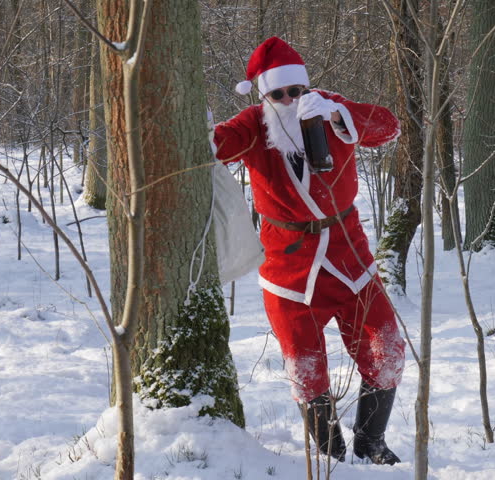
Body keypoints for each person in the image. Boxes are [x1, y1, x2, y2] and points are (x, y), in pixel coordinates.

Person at [212, 36, 405, 465]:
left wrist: (340, 115)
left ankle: (370, 443)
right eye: (278, 93)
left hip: (348, 255)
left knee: (387, 347)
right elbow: (216, 146)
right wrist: (197, 130)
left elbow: (388, 126)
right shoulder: (253, 125)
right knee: (306, 370)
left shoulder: (327, 106)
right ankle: (330, 455)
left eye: (295, 91)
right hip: (289, 269)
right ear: (263, 95)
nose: (288, 100)